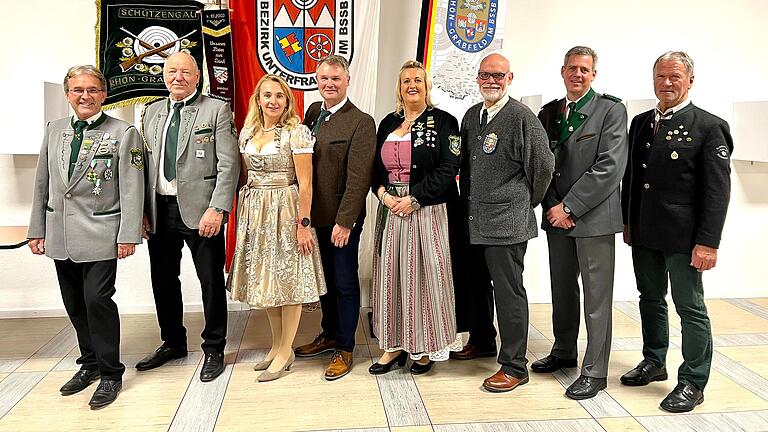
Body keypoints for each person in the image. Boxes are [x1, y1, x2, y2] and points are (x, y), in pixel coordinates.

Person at [620, 51, 732, 413]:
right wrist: (628, 221)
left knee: (690, 307)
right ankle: (654, 362)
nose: (667, 83)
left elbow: (717, 191)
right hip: (645, 231)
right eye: (661, 76)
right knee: (649, 299)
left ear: (690, 80)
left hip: (685, 239)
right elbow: (633, 179)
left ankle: (693, 381)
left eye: (675, 77)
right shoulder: (640, 123)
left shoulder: (708, 126)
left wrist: (708, 242)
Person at [27, 65, 144, 408]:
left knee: (97, 300)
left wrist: (129, 234)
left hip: (102, 232)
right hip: (60, 233)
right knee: (75, 304)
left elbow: (132, 189)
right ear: (67, 95)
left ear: (104, 94)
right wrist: (37, 229)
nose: (85, 96)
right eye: (77, 90)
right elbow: (42, 184)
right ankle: (89, 363)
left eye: (93, 89)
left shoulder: (124, 133)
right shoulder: (55, 129)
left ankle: (110, 373)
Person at [138, 51, 239, 382]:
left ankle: (214, 347)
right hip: (159, 210)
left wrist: (218, 207)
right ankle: (173, 343)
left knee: (209, 281)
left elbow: (229, 164)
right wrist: (141, 210)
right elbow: (142, 166)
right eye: (171, 71)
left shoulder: (216, 110)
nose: (177, 77)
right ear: (164, 76)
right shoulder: (151, 112)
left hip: (202, 212)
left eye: (185, 72)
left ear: (198, 76)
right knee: (163, 280)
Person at [534, 46, 628, 400]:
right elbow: (545, 163)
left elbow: (609, 168)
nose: (578, 74)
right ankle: (563, 351)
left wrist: (569, 207)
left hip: (592, 218)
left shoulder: (610, 110)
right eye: (572, 68)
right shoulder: (551, 112)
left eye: (584, 69)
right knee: (562, 288)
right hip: (556, 215)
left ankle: (595, 371)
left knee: (596, 298)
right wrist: (552, 204)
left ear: (593, 74)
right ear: (563, 71)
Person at [460, 53, 554, 392]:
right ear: (478, 78)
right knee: (478, 285)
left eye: (498, 75)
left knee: (509, 293)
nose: (492, 81)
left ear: (510, 78)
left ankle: (515, 366)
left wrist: (526, 201)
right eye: (485, 75)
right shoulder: (473, 115)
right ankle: (483, 340)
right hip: (476, 220)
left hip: (507, 222)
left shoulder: (521, 118)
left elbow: (543, 166)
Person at [227, 74, 326, 382]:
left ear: (287, 101)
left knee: (290, 279)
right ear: (258, 99)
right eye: (267, 95)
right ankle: (277, 345)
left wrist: (303, 224)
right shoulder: (249, 131)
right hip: (256, 211)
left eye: (279, 96)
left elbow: (306, 183)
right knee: (266, 280)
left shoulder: (297, 133)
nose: (273, 101)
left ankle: (286, 350)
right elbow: (245, 176)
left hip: (286, 206)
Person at [368, 60, 462, 376]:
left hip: (427, 210)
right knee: (392, 277)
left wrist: (415, 198)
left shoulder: (445, 121)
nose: (412, 85)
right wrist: (384, 196)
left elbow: (449, 169)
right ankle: (393, 345)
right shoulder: (387, 124)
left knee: (424, 277)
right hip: (391, 208)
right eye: (406, 79)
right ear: (399, 87)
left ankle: (423, 347)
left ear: (426, 86)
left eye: (418, 80)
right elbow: (375, 172)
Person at [293, 55, 376, 381]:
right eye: (324, 78)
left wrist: (345, 222)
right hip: (314, 218)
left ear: (347, 81)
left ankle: (345, 347)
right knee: (324, 282)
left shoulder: (360, 121)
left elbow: (360, 178)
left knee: (343, 283)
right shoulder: (313, 113)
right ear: (317, 79)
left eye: (336, 79)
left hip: (342, 220)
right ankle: (328, 334)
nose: (329, 84)